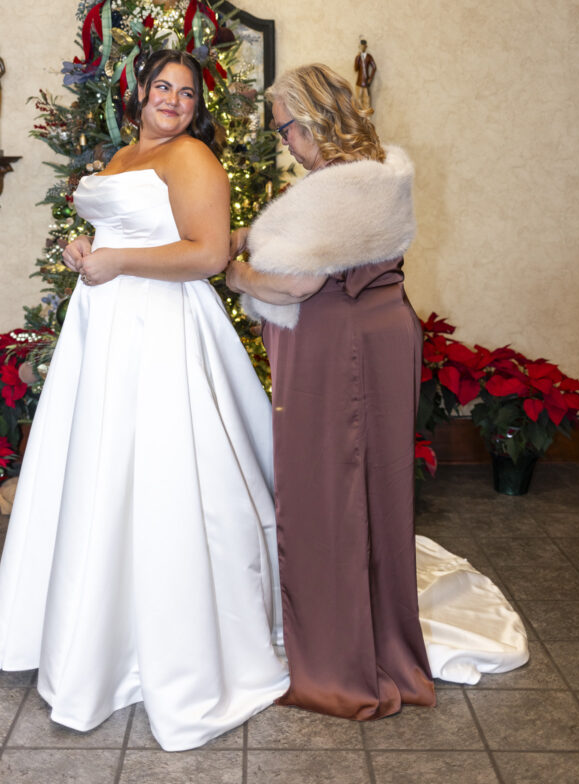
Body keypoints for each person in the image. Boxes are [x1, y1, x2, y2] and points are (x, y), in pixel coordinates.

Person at [0, 49, 289, 750]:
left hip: (161, 330)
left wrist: (117, 262)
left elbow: (209, 255)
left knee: (162, 478)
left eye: (186, 92)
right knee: (99, 475)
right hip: (105, 330)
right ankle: (90, 629)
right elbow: (125, 230)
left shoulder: (194, 160)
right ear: (137, 93)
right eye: (162, 87)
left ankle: (166, 648)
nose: (174, 100)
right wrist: (86, 247)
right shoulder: (121, 154)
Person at [226, 64, 528, 720]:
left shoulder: (334, 189)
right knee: (373, 491)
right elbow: (323, 239)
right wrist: (254, 236)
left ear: (310, 123)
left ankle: (341, 665)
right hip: (383, 331)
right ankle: (377, 637)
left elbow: (297, 283)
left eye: (284, 131)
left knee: (325, 494)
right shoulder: (382, 170)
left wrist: (233, 270)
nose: (284, 143)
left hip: (339, 347)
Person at [354, 37, 376, 115]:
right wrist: (357, 58)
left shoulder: (369, 57)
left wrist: (370, 78)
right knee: (358, 100)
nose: (362, 47)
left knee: (366, 101)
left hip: (366, 83)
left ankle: (367, 118)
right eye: (361, 46)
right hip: (359, 83)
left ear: (366, 46)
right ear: (360, 47)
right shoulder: (358, 57)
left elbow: (374, 67)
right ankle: (359, 116)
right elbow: (356, 68)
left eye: (364, 46)